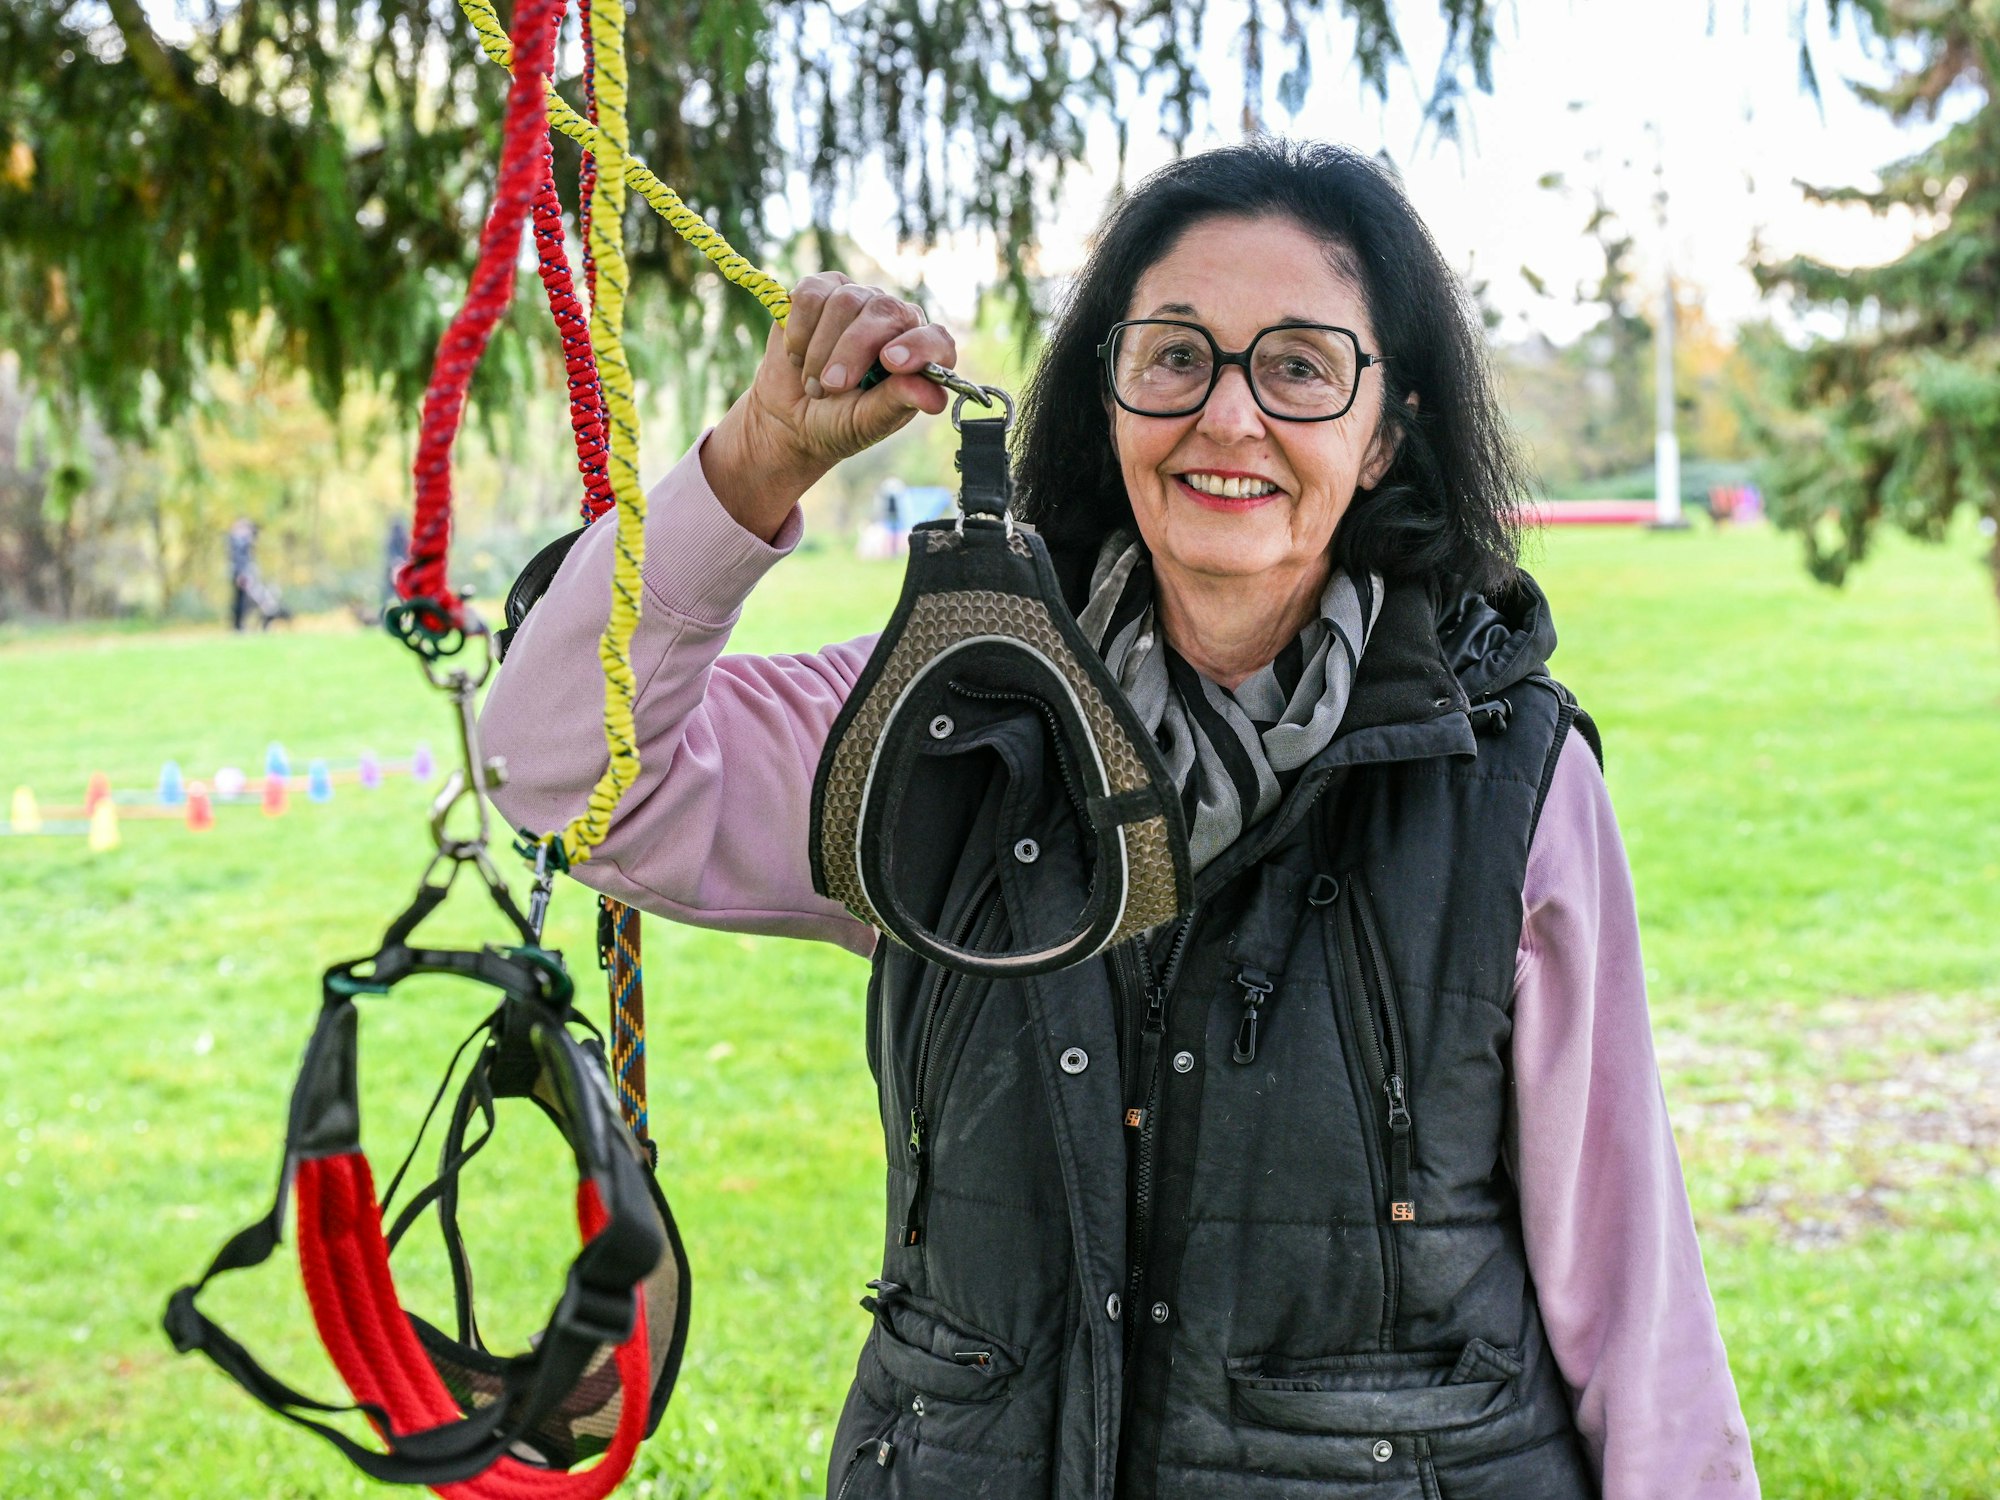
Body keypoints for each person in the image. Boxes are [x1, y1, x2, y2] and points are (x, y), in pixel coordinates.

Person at [481, 140, 1757, 1499]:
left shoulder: (1509, 774)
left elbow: (1631, 1294)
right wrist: (755, 461)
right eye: (1175, 356)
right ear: (1105, 399)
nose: (1228, 417)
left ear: (1383, 434)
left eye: (1300, 366)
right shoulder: (937, 718)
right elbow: (554, 774)